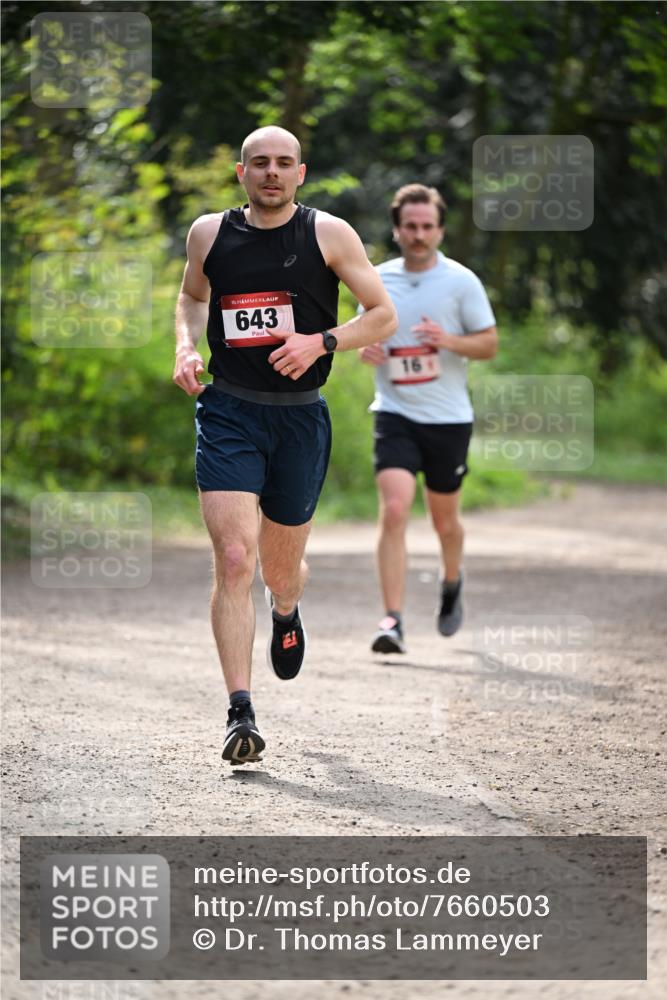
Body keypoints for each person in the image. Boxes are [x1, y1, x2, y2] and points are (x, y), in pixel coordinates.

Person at [173, 126, 397, 764]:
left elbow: (381, 314)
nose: (272, 173)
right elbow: (193, 297)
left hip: (300, 419)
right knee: (236, 558)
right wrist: (186, 345)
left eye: (285, 164)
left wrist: (321, 342)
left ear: (302, 172)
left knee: (278, 570)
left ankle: (288, 607)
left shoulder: (329, 234)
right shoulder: (208, 234)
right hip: (229, 411)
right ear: (240, 171)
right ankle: (239, 711)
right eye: (260, 163)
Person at [359, 184, 497, 654]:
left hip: (449, 420)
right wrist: (368, 350)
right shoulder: (377, 279)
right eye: (410, 227)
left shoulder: (462, 282)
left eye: (427, 227)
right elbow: (364, 338)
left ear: (439, 230)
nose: (418, 235)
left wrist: (448, 341)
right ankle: (392, 620)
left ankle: (451, 580)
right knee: (395, 509)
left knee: (444, 522)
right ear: (397, 230)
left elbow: (489, 344)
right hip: (394, 413)